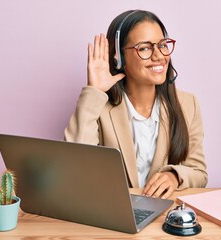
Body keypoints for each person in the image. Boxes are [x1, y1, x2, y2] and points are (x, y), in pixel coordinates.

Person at [64, 9, 207, 199]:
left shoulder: (189, 104)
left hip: (163, 216)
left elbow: (199, 172)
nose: (159, 56)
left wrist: (174, 176)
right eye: (145, 48)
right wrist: (94, 91)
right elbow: (75, 167)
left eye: (162, 45)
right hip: (112, 211)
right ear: (119, 57)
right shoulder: (98, 106)